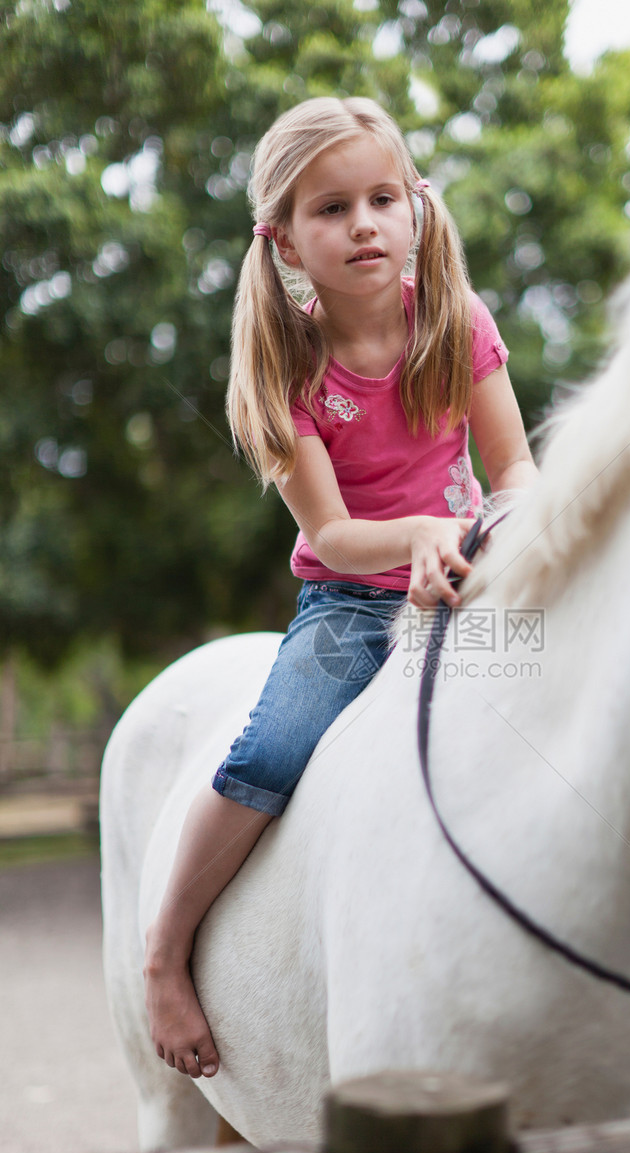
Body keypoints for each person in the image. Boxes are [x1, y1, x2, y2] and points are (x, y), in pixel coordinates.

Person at [143, 96, 539, 1080]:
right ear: (282, 241)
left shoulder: (453, 320)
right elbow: (330, 534)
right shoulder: (290, 369)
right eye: (330, 209)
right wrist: (417, 534)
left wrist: (483, 540)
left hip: (469, 582)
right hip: (353, 603)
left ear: (414, 208)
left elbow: (516, 472)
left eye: (379, 198)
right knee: (273, 745)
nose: (362, 223)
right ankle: (161, 952)